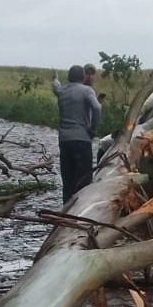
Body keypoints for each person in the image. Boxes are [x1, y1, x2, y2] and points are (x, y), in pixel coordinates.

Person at [52, 64, 102, 203]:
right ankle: (81, 210)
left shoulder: (62, 91)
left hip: (64, 141)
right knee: (83, 181)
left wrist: (55, 79)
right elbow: (97, 108)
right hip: (82, 140)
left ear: (69, 77)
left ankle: (66, 211)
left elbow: (56, 87)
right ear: (83, 77)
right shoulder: (87, 90)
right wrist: (92, 129)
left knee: (68, 181)